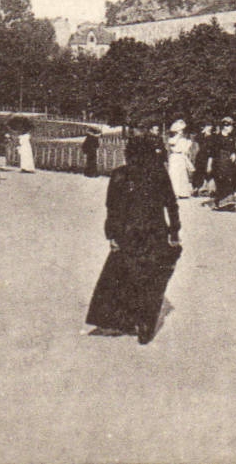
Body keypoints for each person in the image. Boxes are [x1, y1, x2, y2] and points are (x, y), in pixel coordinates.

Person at [86, 135, 182, 344]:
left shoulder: (119, 174)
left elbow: (112, 209)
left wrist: (111, 235)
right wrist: (174, 232)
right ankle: (145, 324)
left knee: (123, 276)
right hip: (155, 233)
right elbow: (171, 204)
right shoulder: (159, 174)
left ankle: (123, 320)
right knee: (150, 279)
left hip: (127, 233)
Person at [207, 117, 236, 212]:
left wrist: (234, 154)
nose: (232, 128)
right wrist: (209, 165)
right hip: (219, 163)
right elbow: (212, 153)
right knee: (221, 181)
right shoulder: (216, 138)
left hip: (229, 164)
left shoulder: (231, 138)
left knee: (230, 181)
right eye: (230, 126)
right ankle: (220, 203)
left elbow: (233, 150)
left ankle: (230, 203)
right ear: (225, 127)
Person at [165, 121, 194, 199]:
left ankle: (183, 192)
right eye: (180, 130)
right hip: (174, 157)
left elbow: (186, 148)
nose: (182, 132)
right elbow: (173, 143)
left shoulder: (183, 139)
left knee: (182, 174)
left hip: (181, 157)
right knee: (174, 174)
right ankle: (174, 193)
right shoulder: (172, 139)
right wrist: (178, 136)